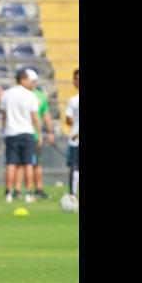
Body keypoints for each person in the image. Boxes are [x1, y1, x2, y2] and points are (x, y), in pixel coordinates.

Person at [0, 69, 41, 203]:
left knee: (11, 163)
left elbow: (4, 115)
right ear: (23, 79)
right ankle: (29, 193)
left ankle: (9, 193)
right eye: (29, 80)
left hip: (11, 132)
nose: (31, 83)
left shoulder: (6, 94)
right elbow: (35, 117)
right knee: (28, 163)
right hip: (27, 132)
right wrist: (39, 134)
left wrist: (5, 127)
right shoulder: (30, 95)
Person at [26, 70, 55, 199]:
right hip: (25, 133)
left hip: (35, 135)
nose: (34, 83)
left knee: (37, 163)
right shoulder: (21, 94)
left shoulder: (40, 95)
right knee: (24, 164)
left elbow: (46, 115)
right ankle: (25, 191)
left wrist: (50, 132)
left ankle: (38, 188)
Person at [64, 68, 79, 197]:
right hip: (75, 138)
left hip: (76, 137)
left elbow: (68, 120)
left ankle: (72, 194)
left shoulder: (74, 100)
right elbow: (68, 120)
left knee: (75, 167)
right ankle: (72, 194)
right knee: (74, 167)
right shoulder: (73, 100)